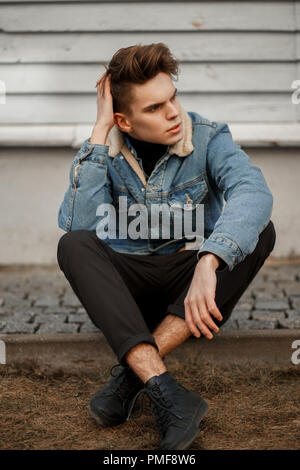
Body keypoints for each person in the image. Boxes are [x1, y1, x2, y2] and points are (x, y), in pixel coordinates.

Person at [56, 43, 276, 450]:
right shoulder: (104, 150)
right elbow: (76, 225)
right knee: (73, 244)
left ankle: (128, 378)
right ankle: (166, 391)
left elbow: (253, 192)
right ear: (125, 119)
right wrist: (100, 132)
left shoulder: (209, 136)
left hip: (189, 287)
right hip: (127, 289)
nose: (173, 112)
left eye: (172, 97)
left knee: (262, 229)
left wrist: (209, 262)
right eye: (155, 108)